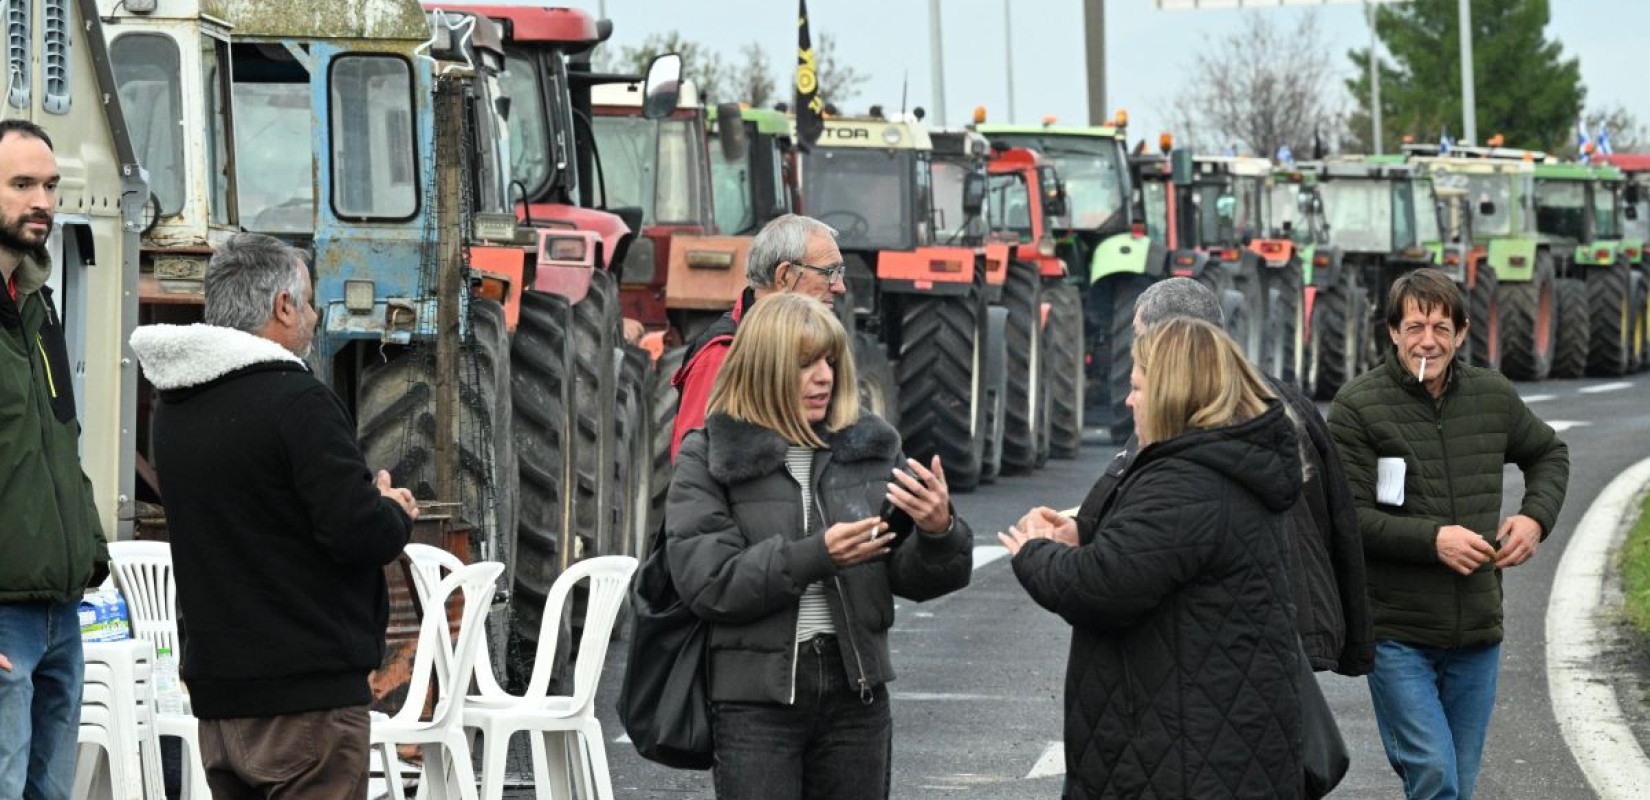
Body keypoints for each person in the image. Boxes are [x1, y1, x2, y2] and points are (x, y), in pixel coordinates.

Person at [130, 233, 418, 799]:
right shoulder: (298, 403)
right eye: (308, 302)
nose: (312, 316)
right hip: (307, 702)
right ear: (283, 306)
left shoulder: (175, 408)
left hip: (220, 704)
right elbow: (357, 532)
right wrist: (390, 507)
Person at [666, 293, 971, 800]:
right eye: (805, 364)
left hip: (858, 696)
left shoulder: (871, 447)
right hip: (755, 705)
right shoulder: (709, 455)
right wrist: (818, 555)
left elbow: (910, 577)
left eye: (830, 361)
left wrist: (940, 533)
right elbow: (710, 584)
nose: (824, 376)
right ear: (763, 368)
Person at [1002, 317, 1304, 800]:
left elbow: (1104, 587)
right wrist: (1087, 536)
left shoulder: (1185, 483)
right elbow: (1154, 560)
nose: (1127, 400)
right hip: (1209, 741)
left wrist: (1033, 551)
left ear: (1173, 394)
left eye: (1138, 387)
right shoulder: (1215, 468)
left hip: (1185, 755)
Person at [1020, 276, 1374, 675]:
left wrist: (1043, 552)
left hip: (1230, 639)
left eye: (1139, 337)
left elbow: (1140, 537)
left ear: (1171, 340)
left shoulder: (1184, 416)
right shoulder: (1286, 404)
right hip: (1286, 624)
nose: (1133, 356)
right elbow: (1341, 518)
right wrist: (1082, 529)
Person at [1328, 268, 1568, 800]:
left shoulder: (1492, 395)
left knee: (1458, 782)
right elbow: (1348, 518)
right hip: (1396, 633)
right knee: (1435, 776)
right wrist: (1433, 540)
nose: (1427, 341)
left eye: (1441, 327)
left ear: (1461, 334)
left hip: (1477, 631)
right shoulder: (1357, 407)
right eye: (1414, 326)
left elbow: (1548, 452)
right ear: (1393, 332)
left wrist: (1535, 518)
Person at [0, 119, 110, 800]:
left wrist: (89, 551)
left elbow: (60, 445)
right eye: (21, 184)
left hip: (59, 613)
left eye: (50, 184)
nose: (42, 200)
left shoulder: (37, 304)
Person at [670, 213, 847, 460]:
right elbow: (691, 463)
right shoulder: (723, 354)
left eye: (840, 272)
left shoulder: (821, 343)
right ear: (785, 276)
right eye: (828, 272)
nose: (840, 286)